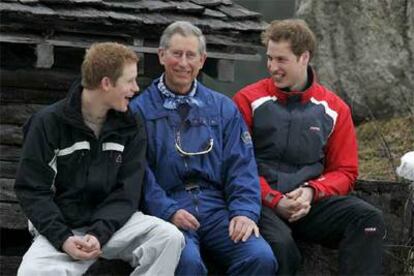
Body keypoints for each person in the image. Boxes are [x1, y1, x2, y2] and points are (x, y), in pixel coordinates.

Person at [14, 42, 184, 276]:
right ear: (106, 83)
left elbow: (127, 192)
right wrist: (63, 239)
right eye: (130, 81)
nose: (136, 88)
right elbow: (32, 190)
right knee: (31, 272)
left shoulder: (130, 124)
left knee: (168, 237)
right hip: (64, 229)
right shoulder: (47, 123)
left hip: (113, 225)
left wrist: (98, 233)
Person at [233, 19, 385, 275]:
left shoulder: (335, 108)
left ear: (304, 57)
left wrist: (312, 191)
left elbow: (346, 171)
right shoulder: (247, 100)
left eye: (281, 60)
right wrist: (273, 199)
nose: (272, 67)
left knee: (368, 220)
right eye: (269, 58)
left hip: (308, 203)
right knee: (281, 247)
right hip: (260, 200)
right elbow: (237, 165)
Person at [129, 21, 277, 275]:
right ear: (162, 56)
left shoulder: (223, 108)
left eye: (191, 55)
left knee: (260, 257)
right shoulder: (139, 111)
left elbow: (241, 165)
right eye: (176, 54)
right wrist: (168, 210)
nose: (183, 63)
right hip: (169, 210)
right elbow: (139, 173)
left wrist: (243, 211)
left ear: (202, 60)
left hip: (216, 207)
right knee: (186, 263)